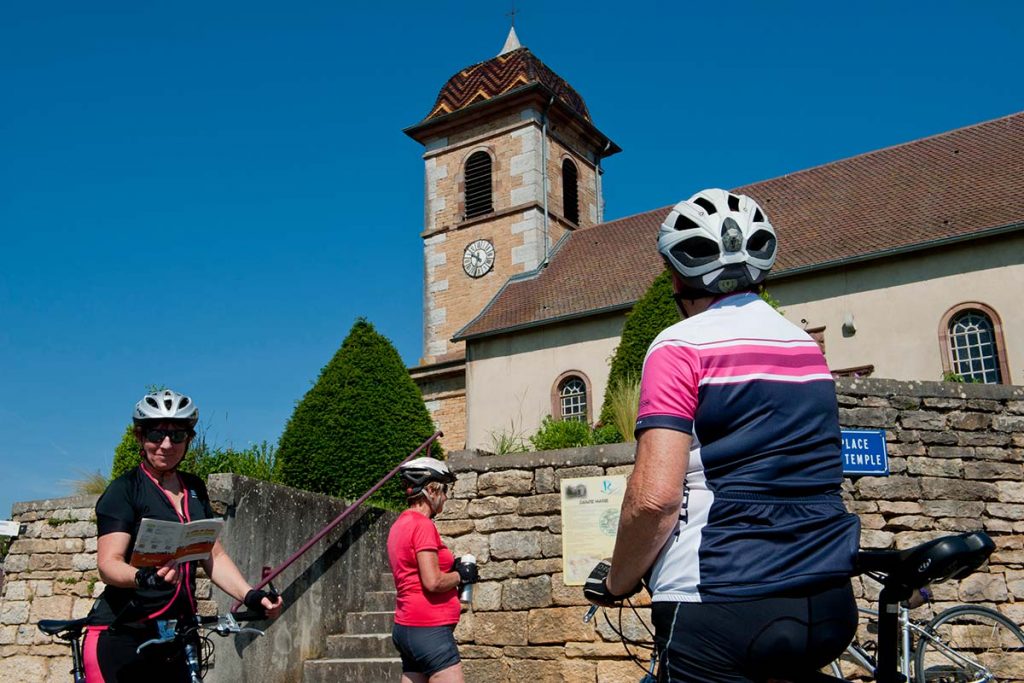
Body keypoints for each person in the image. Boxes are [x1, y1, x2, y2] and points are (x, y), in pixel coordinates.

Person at [584, 189, 861, 682]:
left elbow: (654, 500)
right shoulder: (804, 346)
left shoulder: (679, 345)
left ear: (676, 277)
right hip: (826, 598)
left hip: (721, 597)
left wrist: (618, 581)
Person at [83, 389, 283, 682]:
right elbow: (108, 563)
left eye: (177, 436)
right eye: (155, 434)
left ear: (189, 439)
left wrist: (250, 595)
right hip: (122, 633)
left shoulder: (194, 488)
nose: (166, 444)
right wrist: (143, 577)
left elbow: (213, 554)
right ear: (140, 437)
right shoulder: (125, 490)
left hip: (178, 633)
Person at [387, 457, 478, 683]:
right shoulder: (423, 525)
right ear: (431, 490)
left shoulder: (399, 524)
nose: (446, 497)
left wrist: (451, 568)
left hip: (406, 626)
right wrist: (462, 575)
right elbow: (433, 582)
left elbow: (414, 571)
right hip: (429, 628)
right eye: (444, 490)